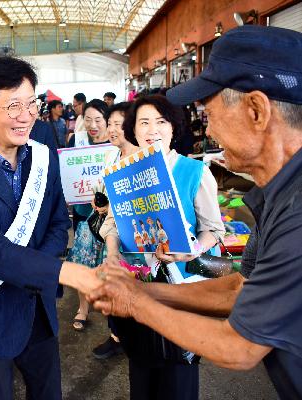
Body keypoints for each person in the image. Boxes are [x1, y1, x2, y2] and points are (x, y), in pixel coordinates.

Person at [89, 25, 302, 399]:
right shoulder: (275, 197)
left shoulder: (296, 210)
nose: (210, 129)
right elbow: (239, 289)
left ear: (256, 110)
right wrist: (145, 291)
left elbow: (239, 347)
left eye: (211, 112)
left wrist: (134, 301)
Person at [0, 55, 102, 400]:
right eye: (13, 106)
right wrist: (64, 272)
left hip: (38, 312)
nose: (26, 116)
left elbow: (59, 223)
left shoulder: (43, 157)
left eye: (31, 104)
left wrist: (35, 273)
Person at [92, 94, 225, 400]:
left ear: (173, 127)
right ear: (134, 130)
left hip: (183, 288)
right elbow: (111, 224)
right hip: (139, 288)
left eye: (161, 122)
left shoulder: (195, 171)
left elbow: (214, 230)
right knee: (142, 365)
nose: (153, 130)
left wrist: (190, 251)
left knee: (178, 370)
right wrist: (112, 255)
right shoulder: (125, 172)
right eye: (144, 122)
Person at [91, 101, 140, 360]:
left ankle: (127, 338)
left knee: (132, 290)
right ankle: (116, 336)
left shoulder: (141, 159)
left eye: (118, 125)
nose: (111, 129)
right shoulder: (113, 155)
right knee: (112, 288)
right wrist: (100, 202)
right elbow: (105, 189)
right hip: (111, 235)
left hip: (134, 241)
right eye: (109, 124)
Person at [66, 98, 111, 331]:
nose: (93, 125)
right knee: (83, 263)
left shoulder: (116, 146)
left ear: (107, 121)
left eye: (98, 119)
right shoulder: (77, 141)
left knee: (108, 265)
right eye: (88, 119)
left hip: (112, 221)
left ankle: (110, 309)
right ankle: (82, 308)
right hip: (84, 214)